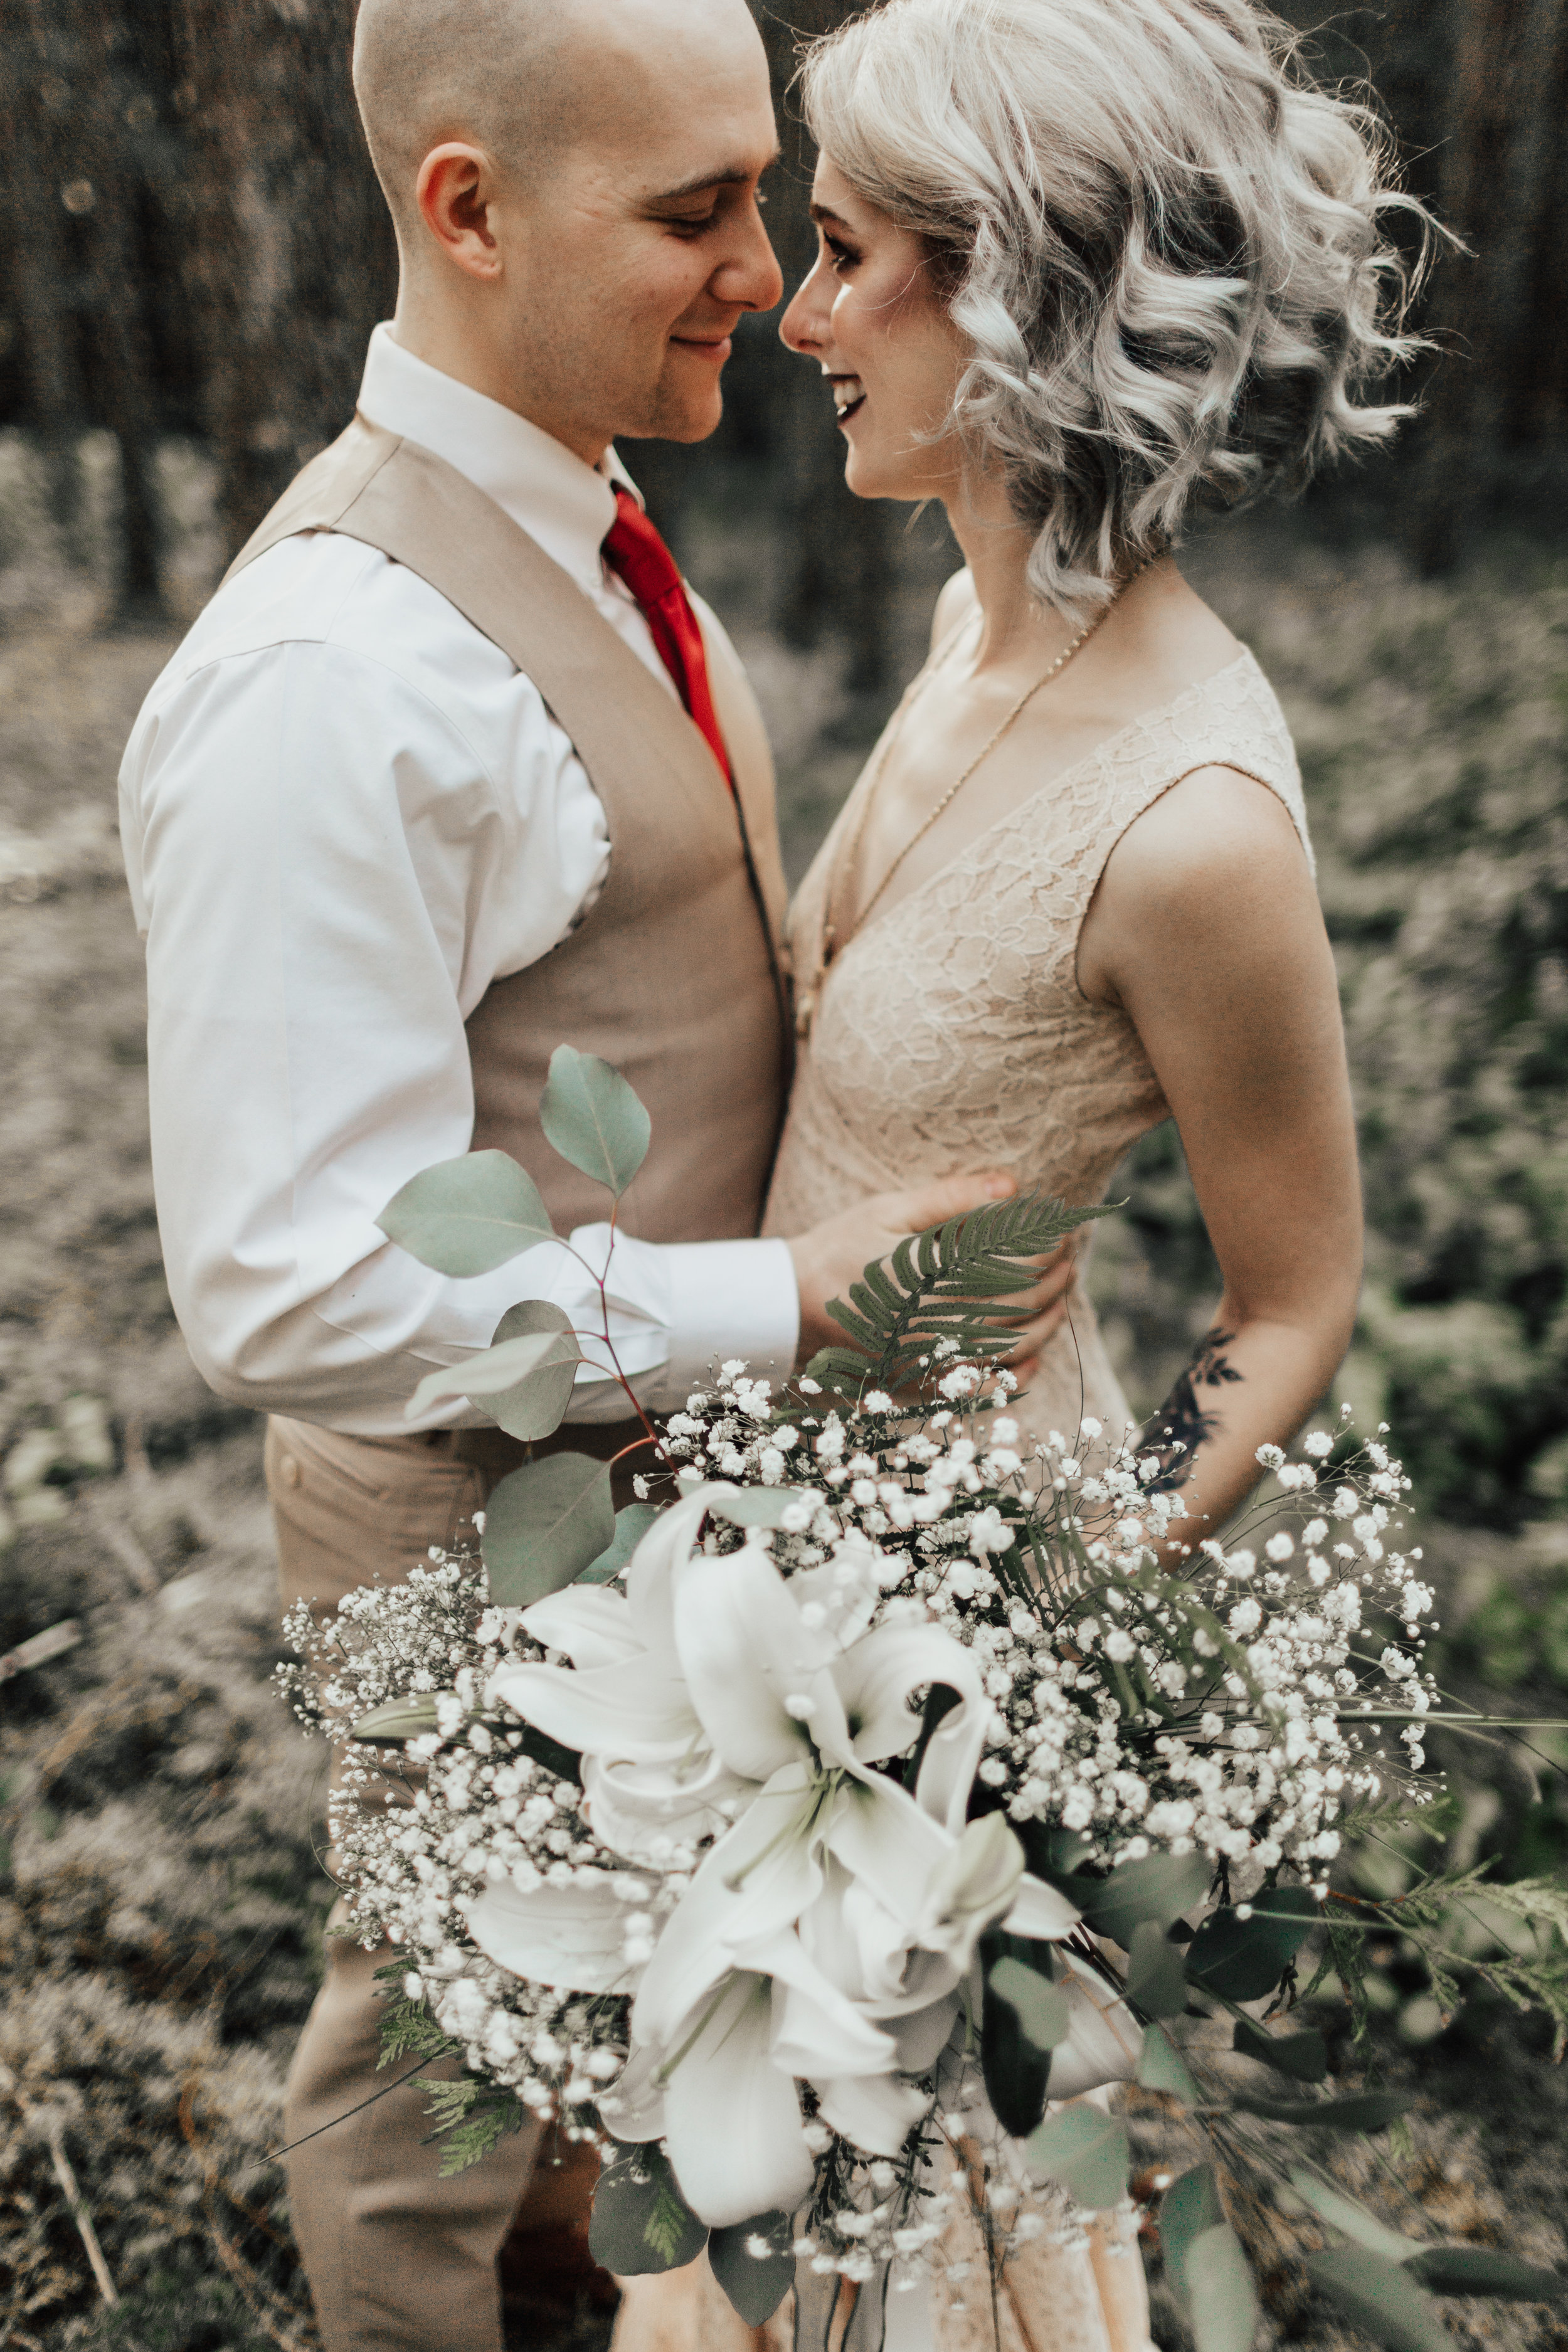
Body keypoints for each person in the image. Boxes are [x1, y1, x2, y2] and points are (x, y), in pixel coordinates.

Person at [116, 1, 1076, 2346]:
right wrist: (775, 1303)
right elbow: (279, 1287)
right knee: (443, 2077)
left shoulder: (578, 510)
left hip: (670, 1508)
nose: (768, 268)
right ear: (464, 206)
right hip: (475, 1518)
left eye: (758, 192)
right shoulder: (332, 675)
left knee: (607, 2057)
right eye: (692, 211)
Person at [765, 0, 1429, 2343]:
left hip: (946, 1647)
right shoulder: (972, 624)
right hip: (753, 1592)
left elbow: (1285, 1307)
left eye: (848, 257)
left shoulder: (1196, 827)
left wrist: (1053, 1625)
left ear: (1019, 294)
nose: (793, 308)